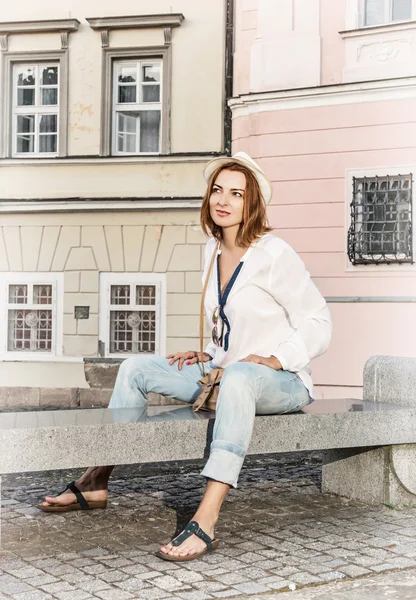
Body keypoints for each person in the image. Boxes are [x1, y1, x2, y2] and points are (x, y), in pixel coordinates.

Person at [38, 152, 332, 562]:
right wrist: (211, 351)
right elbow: (227, 320)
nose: (223, 200)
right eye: (217, 190)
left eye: (236, 193)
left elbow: (319, 320)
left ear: (253, 205)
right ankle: (95, 479)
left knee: (241, 376)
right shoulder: (211, 251)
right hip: (223, 371)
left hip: (281, 382)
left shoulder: (274, 253)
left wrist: (278, 359)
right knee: (136, 367)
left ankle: (206, 518)